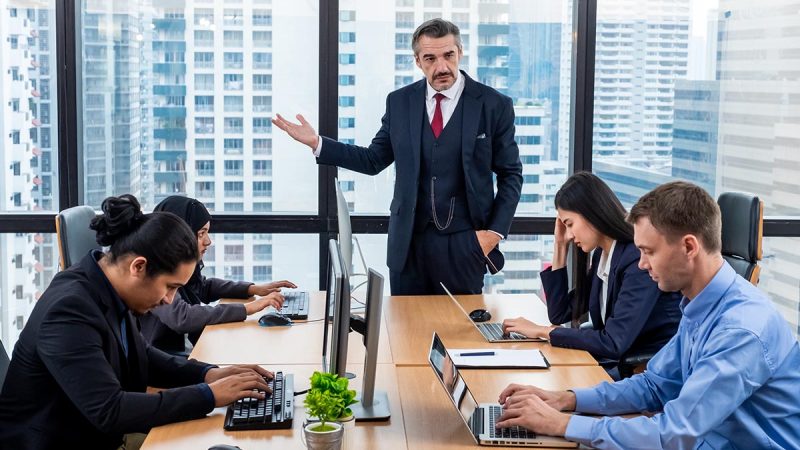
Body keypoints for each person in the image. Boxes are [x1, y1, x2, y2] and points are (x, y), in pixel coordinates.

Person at [495, 182, 800, 448]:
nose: (641, 264)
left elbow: (673, 435)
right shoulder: (700, 307)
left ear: (689, 247)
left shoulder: (740, 331)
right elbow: (654, 385)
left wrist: (560, 424)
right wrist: (566, 399)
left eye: (649, 251)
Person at [0, 195, 274, 449]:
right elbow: (111, 410)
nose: (169, 300)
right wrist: (208, 395)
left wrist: (209, 374)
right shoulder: (69, 310)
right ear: (138, 267)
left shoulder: (104, 286)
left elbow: (143, 355)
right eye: (169, 286)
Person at [273, 18, 522, 295]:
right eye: (430, 58)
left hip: (465, 246)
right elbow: (373, 160)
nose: (441, 67)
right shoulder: (400, 102)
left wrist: (492, 235)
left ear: (459, 52)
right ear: (418, 61)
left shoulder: (493, 104)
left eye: (448, 55)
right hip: (408, 248)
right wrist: (318, 143)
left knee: (459, 334)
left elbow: (511, 174)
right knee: (404, 332)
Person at [502, 172, 681, 374]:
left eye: (570, 224)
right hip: (614, 361)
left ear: (592, 213)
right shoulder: (603, 256)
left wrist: (543, 331)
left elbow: (613, 342)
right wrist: (560, 246)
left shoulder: (636, 260)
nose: (569, 235)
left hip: (644, 371)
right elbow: (560, 312)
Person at [138, 195, 296, 354]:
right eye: (201, 234)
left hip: (174, 357)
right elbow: (182, 317)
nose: (208, 241)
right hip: (161, 363)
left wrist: (253, 289)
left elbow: (202, 287)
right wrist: (247, 309)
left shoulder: (175, 263)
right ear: (178, 236)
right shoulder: (154, 270)